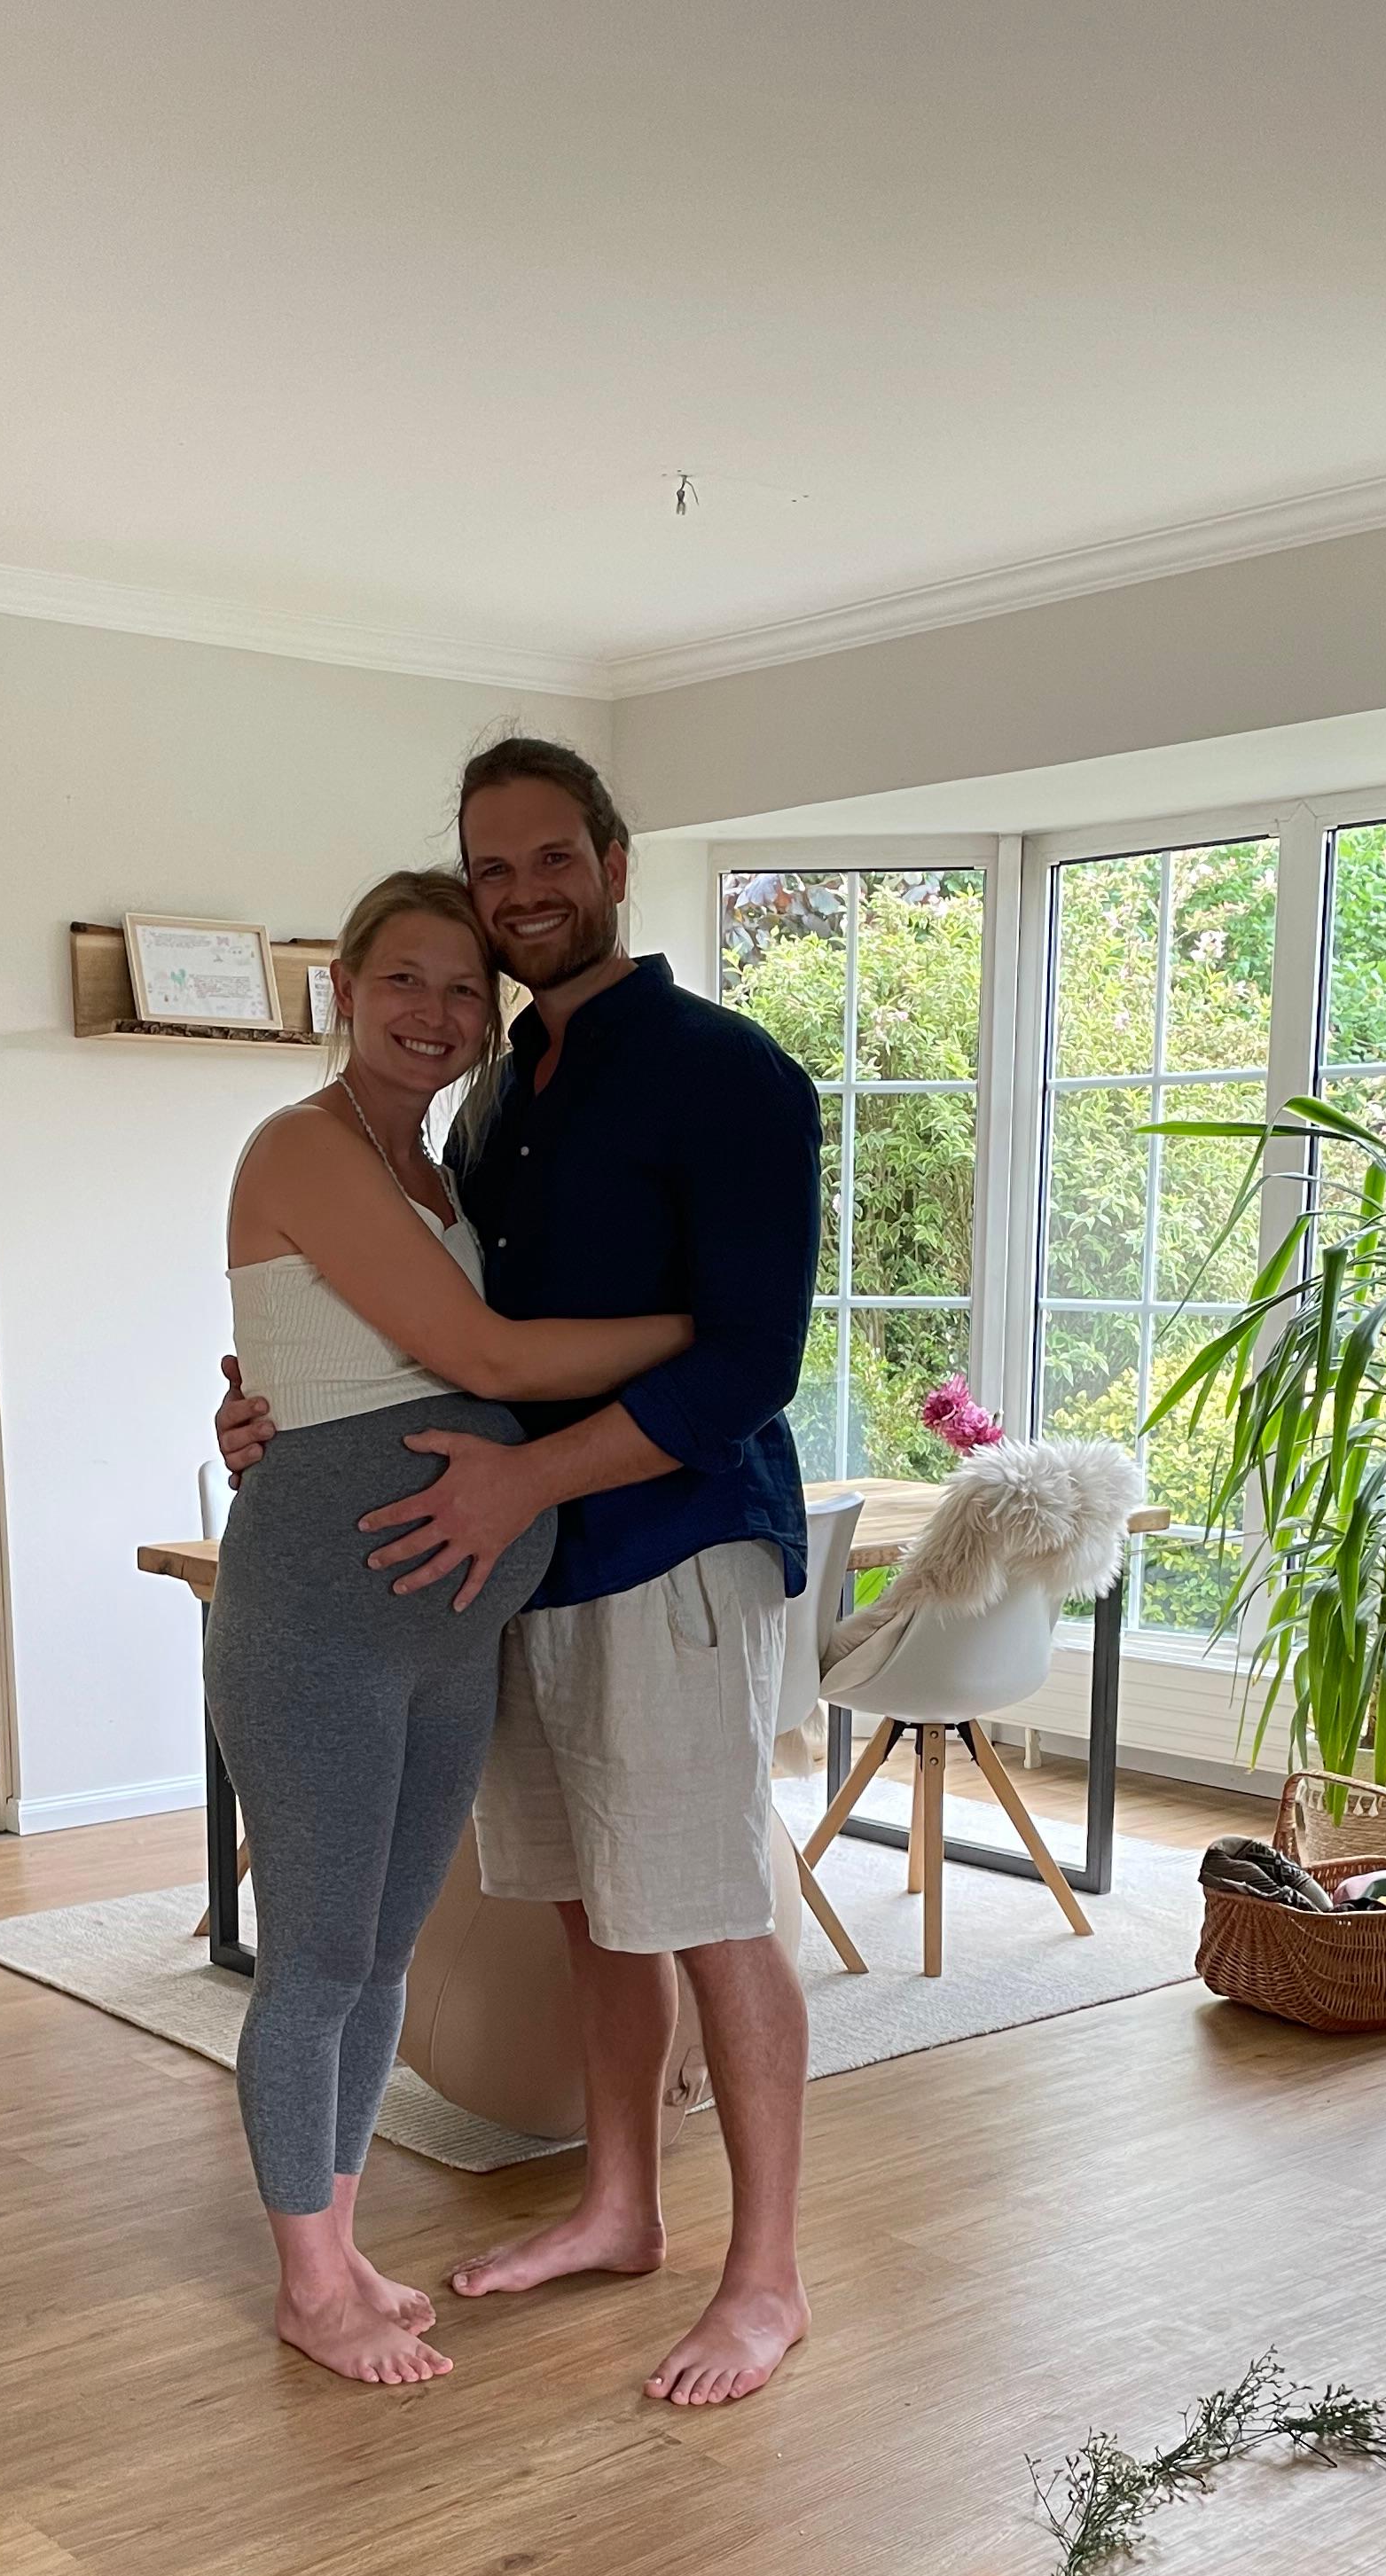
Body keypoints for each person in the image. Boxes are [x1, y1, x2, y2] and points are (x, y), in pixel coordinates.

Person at [219, 740, 822, 2408]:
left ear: (614, 864)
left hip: (668, 1546)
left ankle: (765, 2277)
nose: (523, 894)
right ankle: (620, 2206)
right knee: (591, 1908)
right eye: (493, 871)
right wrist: (268, 1403)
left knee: (709, 1911)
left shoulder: (730, 1075)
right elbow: (412, 1337)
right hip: (516, 1572)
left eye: (551, 858)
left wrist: (529, 1478)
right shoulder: (490, 1109)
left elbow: (745, 1364)